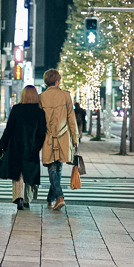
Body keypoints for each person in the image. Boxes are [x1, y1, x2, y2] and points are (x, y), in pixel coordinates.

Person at [0, 85, 46, 210]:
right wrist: (38, 146)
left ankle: (19, 198)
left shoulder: (16, 109)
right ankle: (27, 199)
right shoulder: (40, 112)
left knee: (18, 174)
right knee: (30, 173)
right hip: (32, 146)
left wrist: (3, 145)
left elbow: (9, 129)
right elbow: (42, 133)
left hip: (16, 146)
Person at [41, 68, 80, 211]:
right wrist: (75, 138)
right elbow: (71, 118)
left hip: (47, 136)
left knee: (52, 166)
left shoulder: (41, 97)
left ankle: (52, 197)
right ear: (57, 81)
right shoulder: (66, 96)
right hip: (64, 135)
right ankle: (60, 197)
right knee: (58, 167)